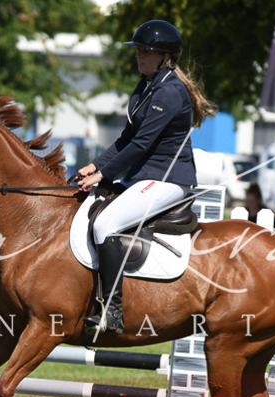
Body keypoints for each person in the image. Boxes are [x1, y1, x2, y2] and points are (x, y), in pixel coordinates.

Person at [75, 19, 216, 335]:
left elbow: (142, 144)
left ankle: (112, 312)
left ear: (165, 56)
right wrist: (95, 165)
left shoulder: (169, 91)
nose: (140, 56)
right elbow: (126, 138)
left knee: (104, 224)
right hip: (145, 176)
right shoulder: (147, 85)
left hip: (167, 179)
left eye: (147, 51)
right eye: (138, 50)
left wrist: (103, 174)